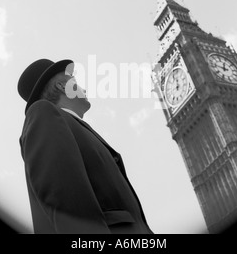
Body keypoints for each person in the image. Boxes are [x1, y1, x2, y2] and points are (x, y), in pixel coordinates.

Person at [17, 58, 153, 234]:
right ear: (61, 86)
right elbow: (67, 200)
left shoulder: (70, 125)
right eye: (74, 80)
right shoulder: (44, 114)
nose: (84, 88)